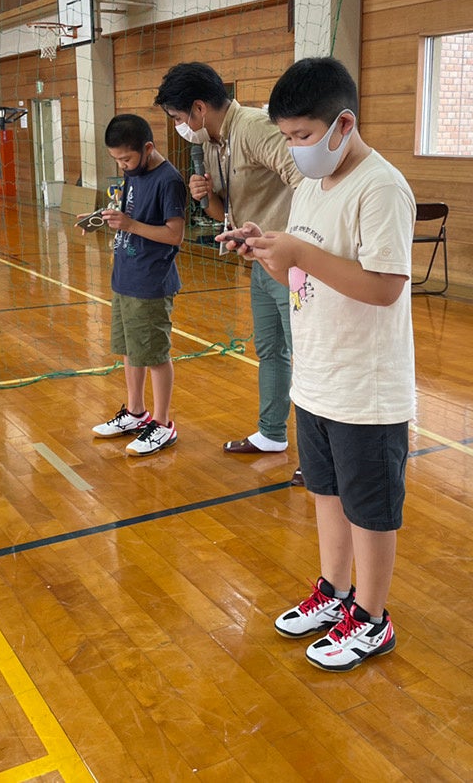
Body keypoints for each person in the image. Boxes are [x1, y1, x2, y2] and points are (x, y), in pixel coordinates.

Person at [224, 57, 415, 672]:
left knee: (369, 507)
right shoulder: (310, 185)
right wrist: (268, 250)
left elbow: (385, 286)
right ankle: (334, 594)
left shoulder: (380, 188)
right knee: (326, 493)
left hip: (367, 385)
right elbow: (301, 272)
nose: (295, 149)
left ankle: (372, 616)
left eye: (303, 136)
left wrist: (301, 251)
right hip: (318, 377)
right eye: (287, 137)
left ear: (343, 125)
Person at [155, 63, 305, 483]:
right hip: (258, 262)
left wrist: (295, 244)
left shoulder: (255, 128)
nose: (182, 127)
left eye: (180, 119)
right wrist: (207, 200)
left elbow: (307, 180)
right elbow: (227, 215)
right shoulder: (218, 143)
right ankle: (273, 434)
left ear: (199, 109)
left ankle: (317, 457)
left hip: (290, 265)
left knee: (306, 359)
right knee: (271, 351)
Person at [83, 113, 187, 456]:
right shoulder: (134, 174)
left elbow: (175, 235)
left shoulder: (168, 180)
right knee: (131, 350)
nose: (123, 165)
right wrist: (104, 220)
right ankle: (135, 412)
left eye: (126, 158)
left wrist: (128, 224)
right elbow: (130, 214)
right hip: (125, 277)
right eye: (116, 160)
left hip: (151, 282)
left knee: (154, 353)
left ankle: (162, 423)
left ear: (147, 148)